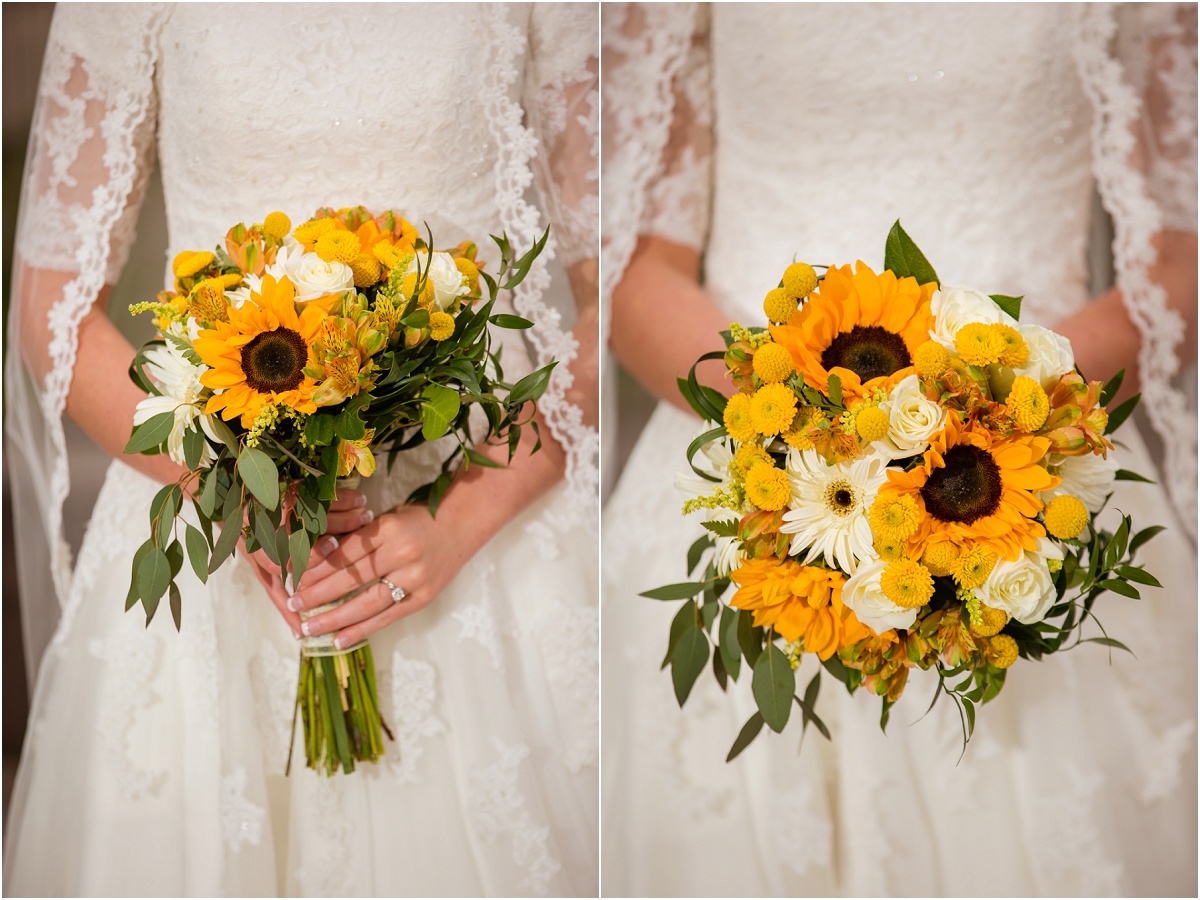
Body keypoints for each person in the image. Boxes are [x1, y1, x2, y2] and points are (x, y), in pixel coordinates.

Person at [601, 3, 1196, 896]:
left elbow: (1179, 257)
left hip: (1030, 449)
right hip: (753, 449)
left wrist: (1000, 419)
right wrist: (796, 434)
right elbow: (638, 267)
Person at [4, 4, 599, 896]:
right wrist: (226, 483)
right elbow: (53, 311)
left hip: (484, 511)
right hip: (216, 511)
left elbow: (617, 289)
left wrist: (462, 518)